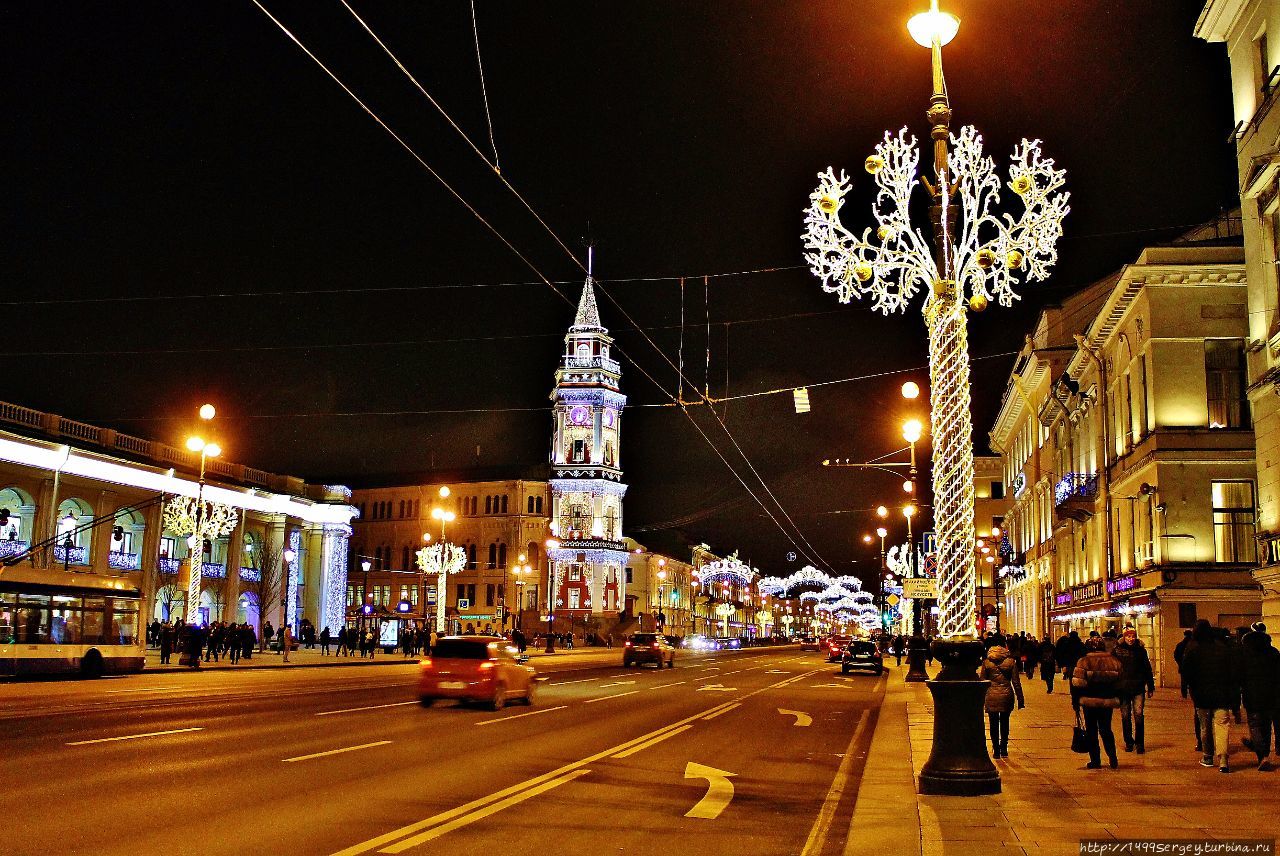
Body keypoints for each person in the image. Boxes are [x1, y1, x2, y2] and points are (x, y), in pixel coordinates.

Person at [1181, 619, 1240, 773]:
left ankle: (1208, 756)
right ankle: (1223, 759)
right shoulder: (1223, 650)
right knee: (1222, 726)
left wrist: (1192, 686)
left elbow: (1186, 672)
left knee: (1205, 727)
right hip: (1222, 695)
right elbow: (1233, 673)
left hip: (1202, 696)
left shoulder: (1193, 650)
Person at [1072, 636, 1123, 769]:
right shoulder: (1114, 661)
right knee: (1106, 729)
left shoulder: (1083, 662)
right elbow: (1120, 682)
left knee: (1092, 731)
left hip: (1089, 701)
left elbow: (1077, 683)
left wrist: (1076, 702)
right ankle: (1112, 757)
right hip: (1107, 701)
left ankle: (1095, 760)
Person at [1240, 622, 1280, 771]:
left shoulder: (1245, 655)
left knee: (1255, 726)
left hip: (1252, 696)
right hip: (1271, 696)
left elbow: (1240, 676)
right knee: (1266, 727)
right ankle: (1265, 755)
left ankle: (1262, 756)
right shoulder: (1274, 653)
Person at [980, 634, 1024, 759]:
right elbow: (1016, 682)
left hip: (991, 694)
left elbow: (982, 681)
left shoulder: (987, 662)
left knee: (993, 723)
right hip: (1006, 695)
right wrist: (1020, 699)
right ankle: (1004, 747)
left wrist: (980, 699)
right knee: (1005, 722)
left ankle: (996, 750)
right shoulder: (1011, 662)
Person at [1112, 627, 1155, 754]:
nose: (1131, 639)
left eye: (1133, 636)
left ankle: (1140, 743)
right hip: (1123, 689)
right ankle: (1129, 742)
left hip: (1138, 688)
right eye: (1128, 636)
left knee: (1138, 715)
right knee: (1125, 716)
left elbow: (1147, 669)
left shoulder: (1141, 651)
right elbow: (1114, 670)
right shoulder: (1117, 651)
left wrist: (1150, 686)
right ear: (1124, 637)